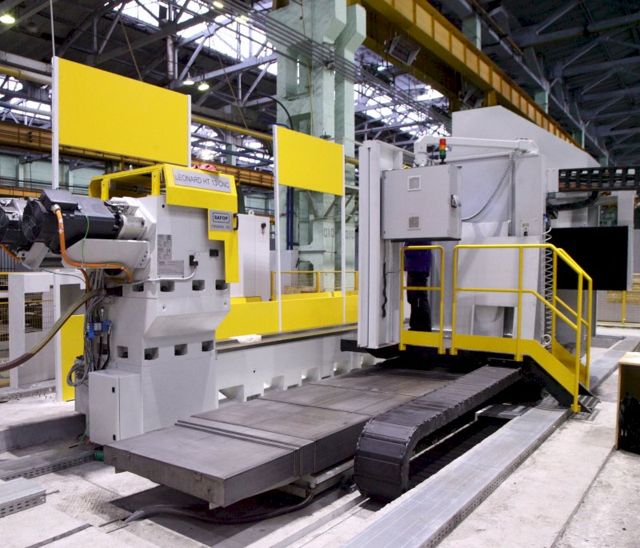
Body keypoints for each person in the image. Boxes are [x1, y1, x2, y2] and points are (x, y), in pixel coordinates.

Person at [404, 240, 432, 332]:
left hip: (417, 268)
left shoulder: (418, 237)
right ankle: (416, 325)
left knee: (419, 298)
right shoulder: (422, 237)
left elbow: (408, 251)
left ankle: (422, 327)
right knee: (415, 299)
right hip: (416, 268)